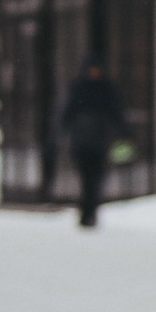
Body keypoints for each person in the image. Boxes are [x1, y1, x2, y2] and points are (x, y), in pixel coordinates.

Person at [54, 56, 127, 229]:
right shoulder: (79, 88)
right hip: (82, 140)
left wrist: (122, 133)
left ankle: (91, 211)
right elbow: (67, 112)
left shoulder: (106, 89)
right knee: (86, 177)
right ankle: (86, 212)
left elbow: (116, 112)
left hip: (100, 140)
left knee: (96, 178)